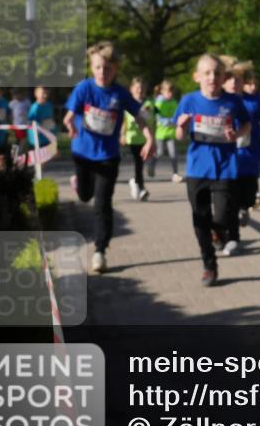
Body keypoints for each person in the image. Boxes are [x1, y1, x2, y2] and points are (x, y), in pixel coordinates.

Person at [64, 42, 154, 274]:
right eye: (98, 67)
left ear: (116, 69)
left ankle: (100, 251)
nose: (102, 72)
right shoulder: (84, 88)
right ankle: (78, 183)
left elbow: (139, 116)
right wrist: (69, 124)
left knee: (102, 204)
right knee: (85, 196)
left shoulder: (120, 93)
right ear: (91, 68)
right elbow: (69, 114)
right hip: (83, 153)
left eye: (108, 68)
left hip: (108, 156)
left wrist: (149, 138)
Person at [175, 54, 251, 285]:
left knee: (222, 215)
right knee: (200, 220)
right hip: (197, 169)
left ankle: (218, 231)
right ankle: (209, 265)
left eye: (217, 73)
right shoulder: (189, 100)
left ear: (223, 77)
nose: (212, 78)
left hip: (225, 167)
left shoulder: (232, 101)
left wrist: (235, 135)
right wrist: (181, 127)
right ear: (196, 77)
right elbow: (179, 135)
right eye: (207, 73)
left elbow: (246, 124)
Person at [230, 61, 260, 227]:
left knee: (249, 194)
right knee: (227, 193)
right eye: (230, 79)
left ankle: (244, 207)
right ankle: (228, 228)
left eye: (238, 80)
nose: (234, 83)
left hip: (249, 152)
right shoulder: (220, 100)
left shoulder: (253, 101)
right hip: (229, 154)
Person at [121, 77, 154, 202]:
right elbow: (123, 121)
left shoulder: (149, 104)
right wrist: (122, 135)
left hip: (144, 139)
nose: (140, 90)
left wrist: (152, 137)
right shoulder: (128, 104)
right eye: (137, 88)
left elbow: (151, 121)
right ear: (131, 89)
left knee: (140, 164)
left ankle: (137, 184)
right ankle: (140, 187)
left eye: (142, 88)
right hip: (131, 138)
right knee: (138, 164)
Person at [150, 80, 182, 183]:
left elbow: (177, 114)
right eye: (168, 92)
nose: (170, 94)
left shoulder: (174, 102)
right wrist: (164, 121)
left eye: (171, 92)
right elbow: (156, 114)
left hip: (171, 133)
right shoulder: (159, 102)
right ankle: (151, 165)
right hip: (160, 133)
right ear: (162, 92)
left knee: (173, 154)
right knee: (159, 153)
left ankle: (175, 174)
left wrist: (176, 122)